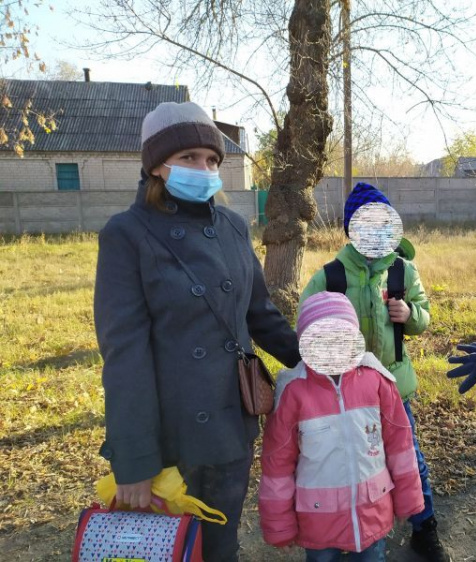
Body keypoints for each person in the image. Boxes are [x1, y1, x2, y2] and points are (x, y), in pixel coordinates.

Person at [93, 101, 301, 562]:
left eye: (211, 160)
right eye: (189, 158)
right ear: (157, 167)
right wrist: (134, 460)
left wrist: (317, 358)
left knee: (222, 544)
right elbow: (124, 355)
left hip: (232, 426)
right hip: (172, 439)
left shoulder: (231, 225)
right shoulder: (126, 234)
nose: (203, 168)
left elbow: (259, 313)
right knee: (171, 551)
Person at [300, 183, 451, 561]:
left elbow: (424, 315)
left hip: (394, 388)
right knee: (349, 462)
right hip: (344, 394)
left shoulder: (402, 271)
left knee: (409, 460)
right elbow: (306, 322)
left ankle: (424, 527)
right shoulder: (330, 276)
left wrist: (410, 314)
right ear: (351, 230)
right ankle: (348, 529)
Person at [259, 291, 425, 561]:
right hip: (318, 520)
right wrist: (280, 525)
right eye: (321, 340)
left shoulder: (377, 381)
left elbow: (401, 445)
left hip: (373, 512)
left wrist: (408, 498)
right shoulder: (293, 392)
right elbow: (277, 463)